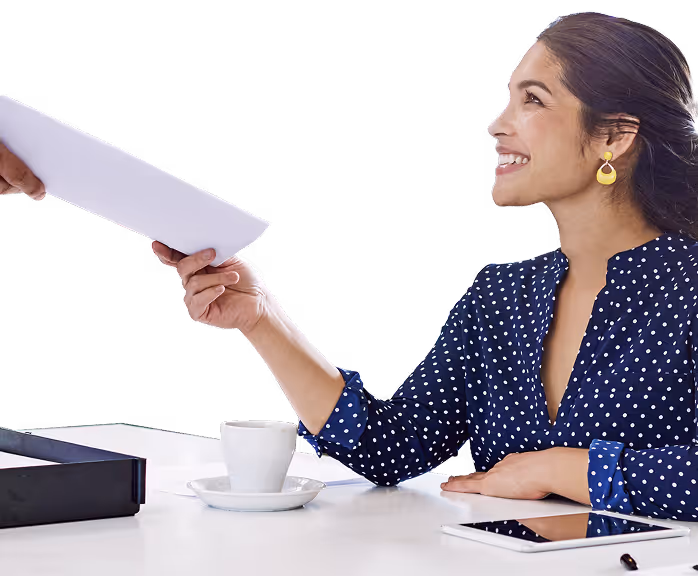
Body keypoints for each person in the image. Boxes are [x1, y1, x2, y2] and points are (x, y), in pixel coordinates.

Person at [8, 12, 698, 523]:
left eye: (533, 100)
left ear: (614, 135)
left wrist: (565, 469)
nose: (497, 123)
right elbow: (390, 448)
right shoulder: (504, 295)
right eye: (508, 95)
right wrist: (261, 319)